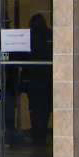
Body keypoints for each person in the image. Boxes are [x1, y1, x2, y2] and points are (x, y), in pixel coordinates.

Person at [25, 13, 53, 146]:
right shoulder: (49, 35)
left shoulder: (31, 37)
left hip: (35, 79)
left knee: (35, 109)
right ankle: (40, 135)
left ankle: (37, 135)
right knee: (44, 109)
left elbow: (24, 58)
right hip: (45, 79)